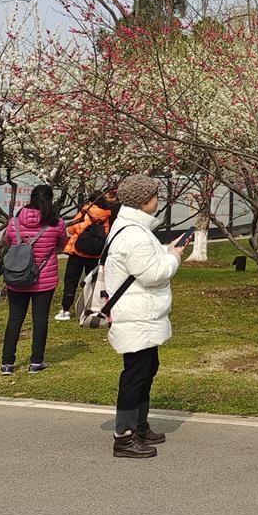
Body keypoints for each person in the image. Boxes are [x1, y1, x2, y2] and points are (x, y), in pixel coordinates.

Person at [103, 174, 188, 460]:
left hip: (141, 314)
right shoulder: (133, 234)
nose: (158, 200)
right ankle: (124, 437)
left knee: (147, 369)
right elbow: (153, 274)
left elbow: (142, 265)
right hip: (135, 315)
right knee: (135, 375)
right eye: (154, 195)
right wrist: (174, 256)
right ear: (144, 201)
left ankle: (139, 425)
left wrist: (166, 250)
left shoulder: (132, 229)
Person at [0, 185, 67, 375]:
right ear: (50, 199)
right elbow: (62, 244)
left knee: (14, 319)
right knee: (40, 318)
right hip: (44, 279)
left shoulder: (14, 222)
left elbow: (8, 242)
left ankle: (7, 363)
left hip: (16, 277)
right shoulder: (57, 224)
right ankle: (36, 361)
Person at [55, 188, 118, 321]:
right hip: (95, 253)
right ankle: (91, 307)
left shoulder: (86, 212)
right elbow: (107, 234)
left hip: (77, 252)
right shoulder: (107, 215)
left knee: (71, 281)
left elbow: (72, 229)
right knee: (93, 282)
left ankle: (66, 310)